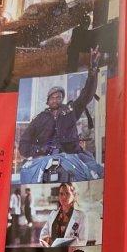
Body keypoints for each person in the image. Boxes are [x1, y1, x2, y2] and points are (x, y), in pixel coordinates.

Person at [18, 48, 102, 180]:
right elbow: (23, 144)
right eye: (52, 98)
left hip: (72, 157)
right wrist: (40, 150)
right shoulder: (39, 119)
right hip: (45, 161)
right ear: (48, 101)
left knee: (94, 172)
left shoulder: (71, 111)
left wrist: (93, 70)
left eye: (58, 97)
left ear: (62, 99)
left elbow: (86, 95)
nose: (55, 100)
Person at [39, 182, 94, 247]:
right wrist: (46, 240)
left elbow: (83, 241)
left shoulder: (81, 216)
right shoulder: (53, 214)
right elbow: (43, 235)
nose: (63, 197)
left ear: (74, 195)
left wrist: (73, 243)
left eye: (67, 193)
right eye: (61, 194)